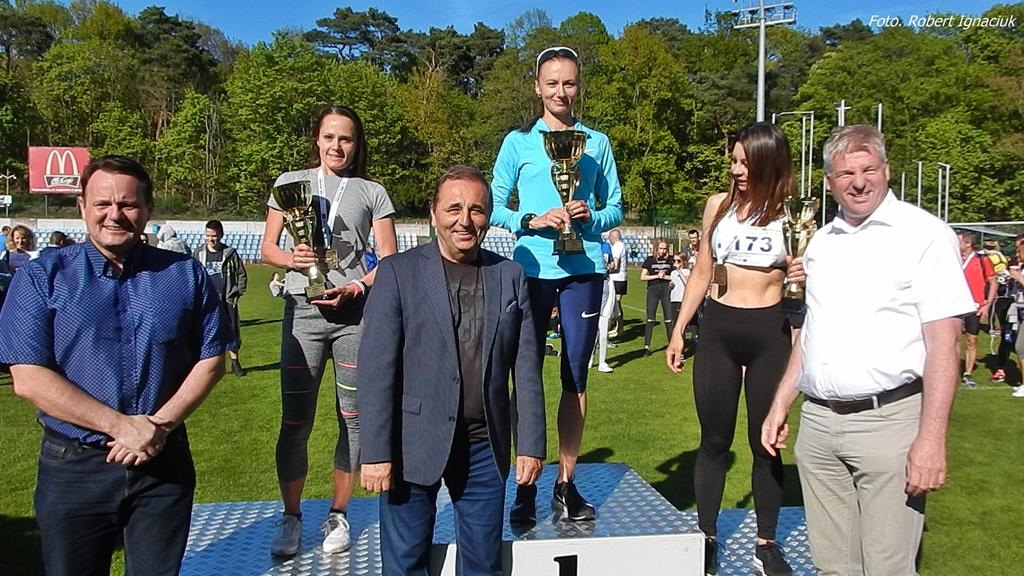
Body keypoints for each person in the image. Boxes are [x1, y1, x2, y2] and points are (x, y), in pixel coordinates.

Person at [761, 125, 974, 576]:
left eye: (868, 169)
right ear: (829, 182)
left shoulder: (924, 234)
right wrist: (781, 403)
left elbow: (943, 345)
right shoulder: (821, 242)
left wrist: (931, 440)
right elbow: (813, 332)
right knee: (833, 567)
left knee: (887, 567)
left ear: (886, 170)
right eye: (846, 174)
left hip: (889, 424)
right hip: (819, 425)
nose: (858, 182)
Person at [0, 155, 226, 575]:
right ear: (82, 207)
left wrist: (158, 427)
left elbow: (211, 359)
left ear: (148, 209)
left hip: (163, 461)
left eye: (128, 204)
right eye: (102, 203)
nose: (114, 215)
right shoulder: (40, 277)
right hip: (75, 466)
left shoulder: (185, 275)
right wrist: (121, 427)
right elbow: (28, 377)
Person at [359, 166, 546, 576]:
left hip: (483, 447)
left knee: (483, 566)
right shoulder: (397, 273)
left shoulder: (511, 276)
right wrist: (375, 453)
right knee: (404, 566)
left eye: (477, 210)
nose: (465, 220)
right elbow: (376, 369)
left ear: (488, 217)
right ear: (433, 213)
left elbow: (526, 368)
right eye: (454, 208)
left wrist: (530, 443)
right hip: (411, 444)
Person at [490, 45, 623, 523]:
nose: (561, 91)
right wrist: (530, 219)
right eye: (552, 83)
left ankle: (565, 484)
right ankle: (524, 484)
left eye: (569, 82)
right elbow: (494, 205)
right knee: (524, 377)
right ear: (537, 87)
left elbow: (615, 207)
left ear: (578, 86)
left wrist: (590, 217)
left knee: (575, 377)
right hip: (530, 270)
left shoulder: (597, 143)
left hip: (582, 269)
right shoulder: (518, 143)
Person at [261, 105, 398, 556]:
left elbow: (389, 259)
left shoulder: (372, 191)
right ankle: (291, 516)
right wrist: (292, 259)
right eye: (329, 137)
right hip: (302, 314)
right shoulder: (290, 183)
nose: (337, 146)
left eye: (346, 139)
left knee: (352, 419)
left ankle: (339, 514)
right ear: (317, 140)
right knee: (295, 421)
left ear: (357, 144)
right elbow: (268, 248)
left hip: (353, 316)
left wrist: (357, 286)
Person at [665, 122, 796, 576]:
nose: (737, 170)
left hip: (770, 333)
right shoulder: (718, 206)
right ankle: (707, 536)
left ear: (768, 163)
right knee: (714, 441)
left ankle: (767, 544)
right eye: (734, 161)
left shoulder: (792, 216)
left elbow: (804, 283)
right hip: (719, 329)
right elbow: (702, 271)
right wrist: (680, 330)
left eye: (746, 163)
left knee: (766, 444)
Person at [194, 220, 249, 377]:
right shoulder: (199, 253)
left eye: (214, 236)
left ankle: (235, 362)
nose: (211, 239)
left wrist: (237, 292)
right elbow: (194, 275)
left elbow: (241, 274)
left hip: (227, 300)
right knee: (208, 333)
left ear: (221, 235)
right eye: (208, 235)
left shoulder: (230, 254)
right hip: (207, 301)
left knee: (232, 332)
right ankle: (211, 365)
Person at [957, 230, 997, 388]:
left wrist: (987, 304)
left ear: (968, 244)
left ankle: (967, 373)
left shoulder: (982, 259)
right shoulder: (953, 258)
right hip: (954, 305)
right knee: (952, 340)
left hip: (974, 306)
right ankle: (951, 369)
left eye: (959, 241)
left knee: (971, 340)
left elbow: (993, 282)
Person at [640, 237, 674, 356]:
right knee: (650, 319)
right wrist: (656, 276)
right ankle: (646, 347)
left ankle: (671, 346)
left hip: (666, 290)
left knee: (669, 319)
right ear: (656, 248)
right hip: (653, 290)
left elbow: (676, 276)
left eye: (665, 248)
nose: (663, 251)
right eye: (660, 248)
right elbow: (643, 277)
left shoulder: (671, 260)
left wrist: (667, 277)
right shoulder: (650, 260)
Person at [608, 228, 627, 334]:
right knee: (616, 303)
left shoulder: (617, 246)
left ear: (613, 237)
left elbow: (615, 266)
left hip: (616, 278)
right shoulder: (622, 245)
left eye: (609, 238)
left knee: (615, 303)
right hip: (621, 278)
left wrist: (606, 268)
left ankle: (617, 326)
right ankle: (619, 327)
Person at [669, 251, 690, 342]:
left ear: (683, 262)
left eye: (678, 261)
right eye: (674, 260)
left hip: (682, 299)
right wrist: (670, 285)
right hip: (674, 299)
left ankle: (682, 343)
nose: (676, 263)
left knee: (680, 324)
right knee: (673, 322)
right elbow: (673, 284)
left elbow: (687, 283)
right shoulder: (673, 273)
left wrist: (679, 271)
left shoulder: (687, 272)